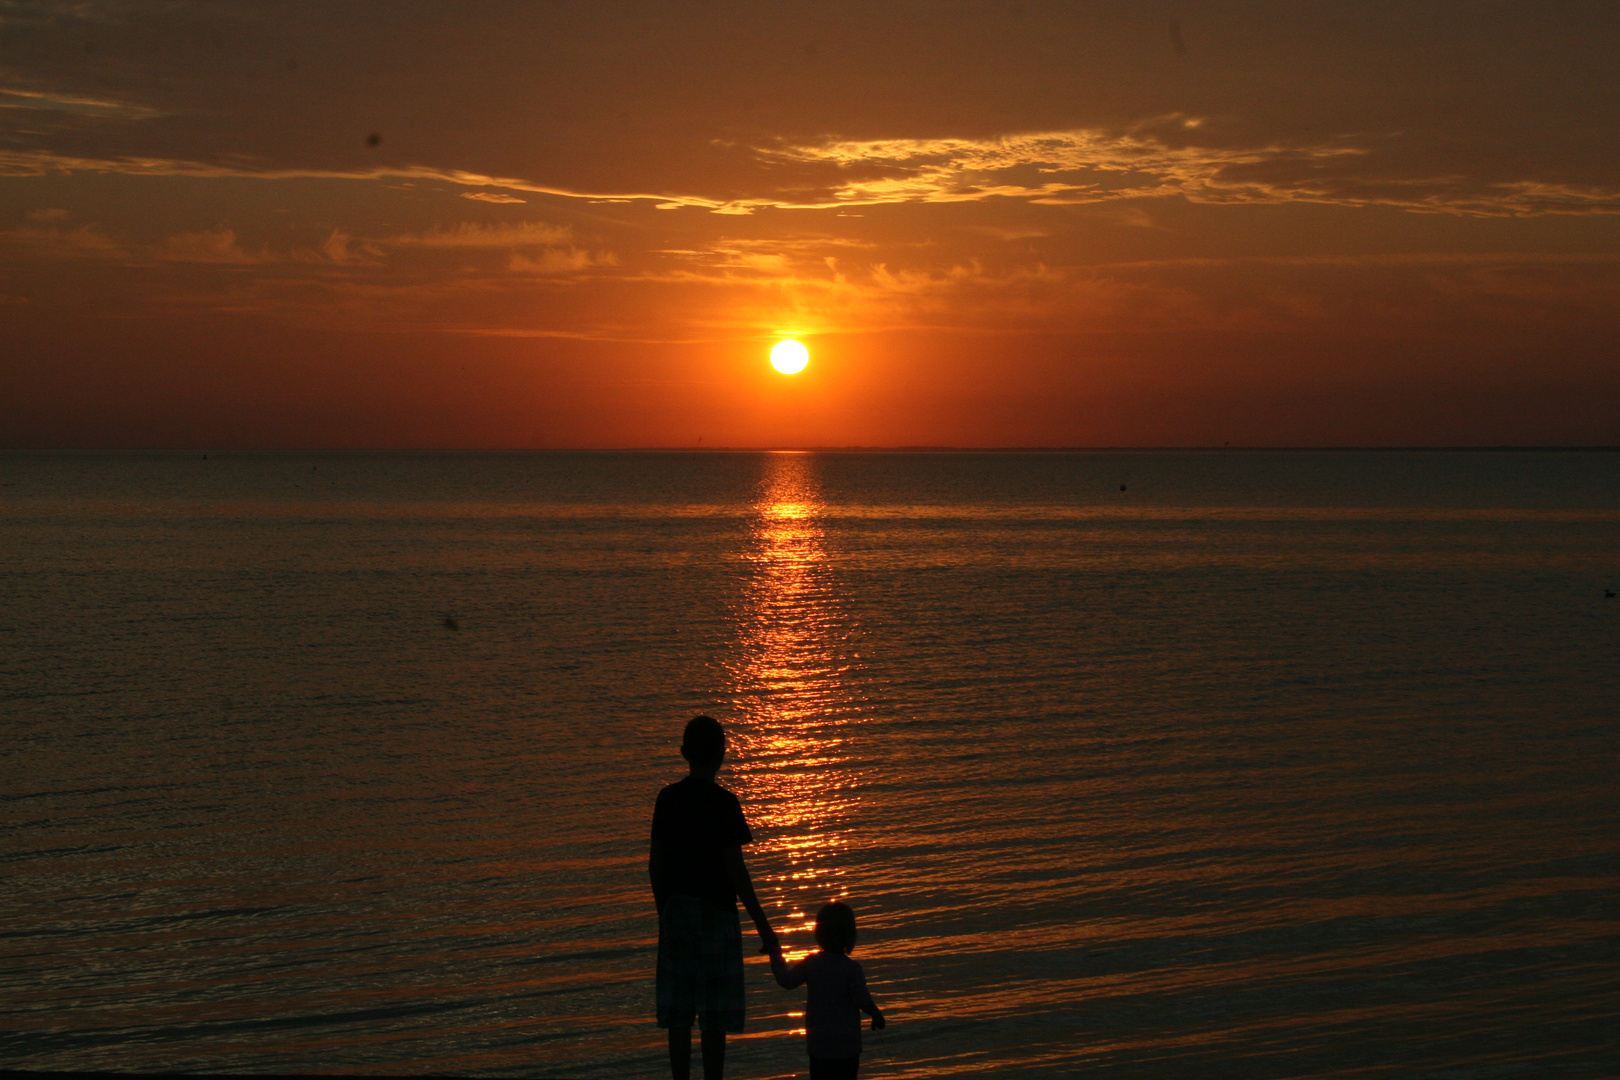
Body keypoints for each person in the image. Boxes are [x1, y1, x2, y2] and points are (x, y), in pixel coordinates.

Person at [650, 715, 779, 1080]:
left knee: (678, 1012)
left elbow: (655, 865)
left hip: (677, 912)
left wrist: (666, 911)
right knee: (714, 1015)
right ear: (722, 754)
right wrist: (764, 928)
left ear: (683, 753)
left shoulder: (667, 799)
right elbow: (736, 871)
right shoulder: (725, 803)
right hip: (717, 918)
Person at [767, 900, 886, 1080]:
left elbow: (786, 980)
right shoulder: (852, 968)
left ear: (819, 933)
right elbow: (862, 999)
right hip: (847, 1046)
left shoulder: (812, 963)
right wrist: (876, 1015)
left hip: (819, 1045)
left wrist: (775, 952)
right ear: (849, 935)